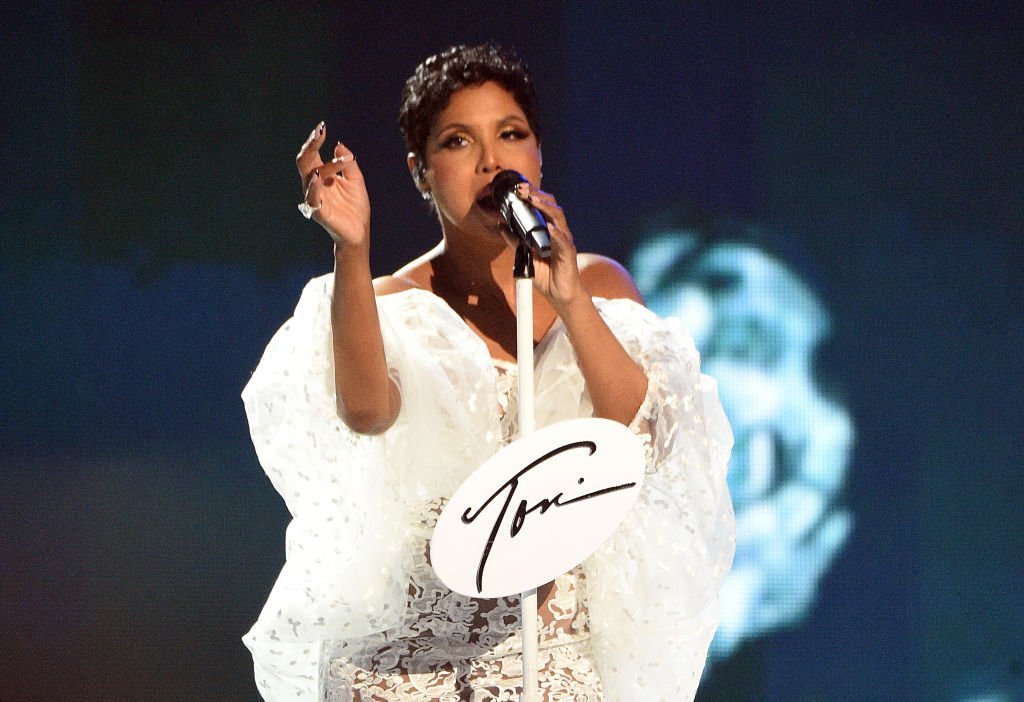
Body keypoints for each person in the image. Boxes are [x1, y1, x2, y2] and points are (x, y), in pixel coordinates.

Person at [242, 44, 734, 701]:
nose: (491, 161)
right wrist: (351, 250)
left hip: (555, 657)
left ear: (537, 155)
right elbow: (366, 412)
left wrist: (568, 299)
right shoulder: (391, 302)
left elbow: (645, 434)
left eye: (511, 135)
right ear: (420, 173)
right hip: (410, 666)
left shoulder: (595, 285)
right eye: (457, 142)